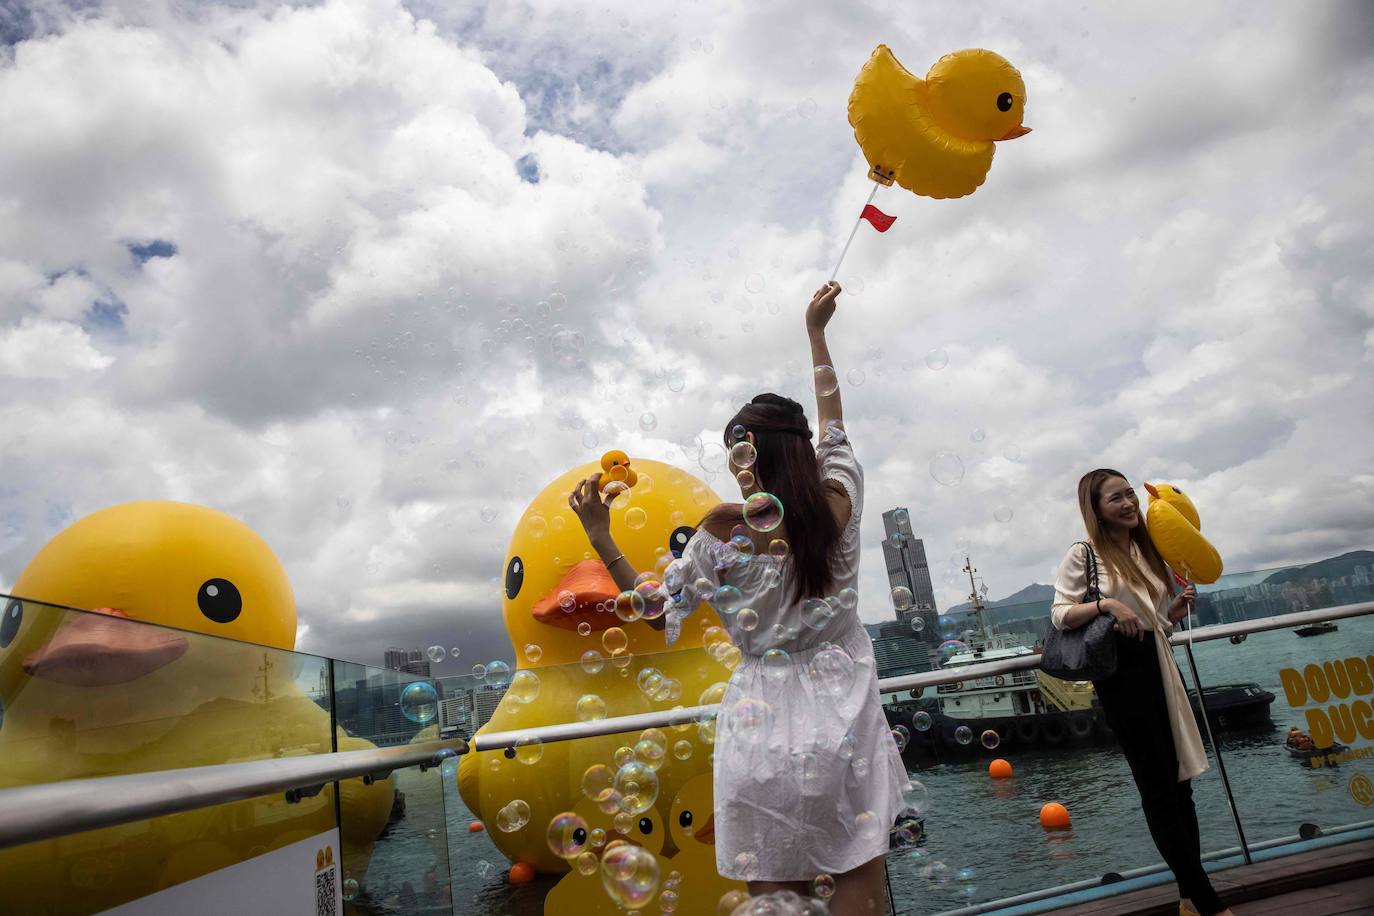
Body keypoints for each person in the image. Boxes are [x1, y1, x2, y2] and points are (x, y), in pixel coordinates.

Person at [569, 281, 906, 914]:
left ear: (746, 461)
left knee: (774, 902)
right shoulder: (838, 500)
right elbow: (833, 424)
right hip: (844, 722)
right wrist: (816, 333)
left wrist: (599, 535)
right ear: (799, 451)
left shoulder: (717, 533)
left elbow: (652, 607)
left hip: (758, 731)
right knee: (859, 895)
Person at [1051, 469, 1234, 916]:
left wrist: (1169, 612)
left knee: (1181, 787)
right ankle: (1209, 903)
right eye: (1116, 498)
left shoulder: (1145, 548)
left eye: (1130, 493)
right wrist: (1108, 605)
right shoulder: (1085, 553)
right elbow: (1060, 613)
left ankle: (1190, 899)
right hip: (1123, 677)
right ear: (1095, 509)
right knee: (1158, 789)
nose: (1130, 503)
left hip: (1160, 666)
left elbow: (1154, 623)